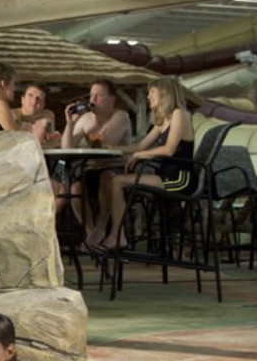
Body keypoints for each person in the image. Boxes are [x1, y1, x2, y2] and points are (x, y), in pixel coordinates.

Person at [93, 76, 195, 250]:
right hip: (164, 175)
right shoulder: (163, 120)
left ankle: (117, 236)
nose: (148, 96)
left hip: (180, 179)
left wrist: (140, 155)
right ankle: (117, 235)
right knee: (113, 179)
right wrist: (111, 147)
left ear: (164, 93)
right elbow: (139, 145)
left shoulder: (180, 113)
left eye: (151, 92)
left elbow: (169, 150)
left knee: (118, 181)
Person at [61, 78, 133, 234]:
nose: (92, 100)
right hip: (93, 169)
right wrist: (70, 123)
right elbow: (66, 147)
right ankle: (91, 232)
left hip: (117, 169)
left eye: (98, 96)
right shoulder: (86, 119)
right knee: (74, 189)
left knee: (106, 177)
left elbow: (106, 144)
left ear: (111, 100)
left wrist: (96, 123)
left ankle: (101, 228)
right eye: (91, 95)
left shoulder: (121, 116)